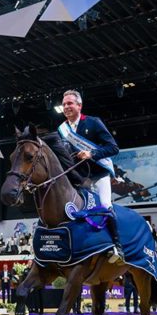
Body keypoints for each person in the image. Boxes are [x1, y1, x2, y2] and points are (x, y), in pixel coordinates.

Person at [55, 90, 123, 264]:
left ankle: (117, 246)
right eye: (64, 104)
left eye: (70, 103)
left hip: (99, 174)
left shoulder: (93, 122)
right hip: (79, 178)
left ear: (79, 106)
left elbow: (113, 148)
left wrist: (91, 153)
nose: (66, 107)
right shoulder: (62, 130)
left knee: (106, 205)